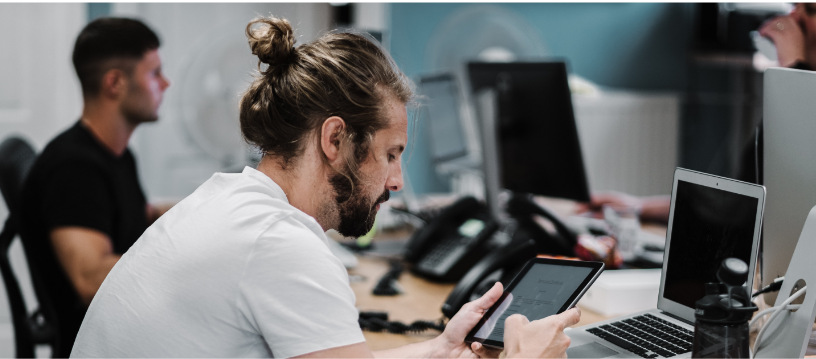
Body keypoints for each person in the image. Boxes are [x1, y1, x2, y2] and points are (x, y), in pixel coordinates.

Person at [69, 16, 580, 359]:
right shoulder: (279, 244)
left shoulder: (231, 202)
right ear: (335, 138)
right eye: (391, 154)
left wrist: (442, 347)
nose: (398, 181)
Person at [19, 18, 170, 357]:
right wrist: (186, 263)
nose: (166, 82)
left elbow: (140, 215)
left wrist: (211, 208)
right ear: (115, 83)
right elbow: (90, 279)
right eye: (154, 73)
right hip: (102, 345)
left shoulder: (115, 155)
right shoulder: (74, 169)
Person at [583, 2, 816, 221]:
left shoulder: (799, 103)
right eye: (795, 5)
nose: (793, 16)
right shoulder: (795, 101)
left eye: (811, 9)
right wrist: (636, 207)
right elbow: (741, 203)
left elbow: (797, 197)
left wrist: (794, 72)